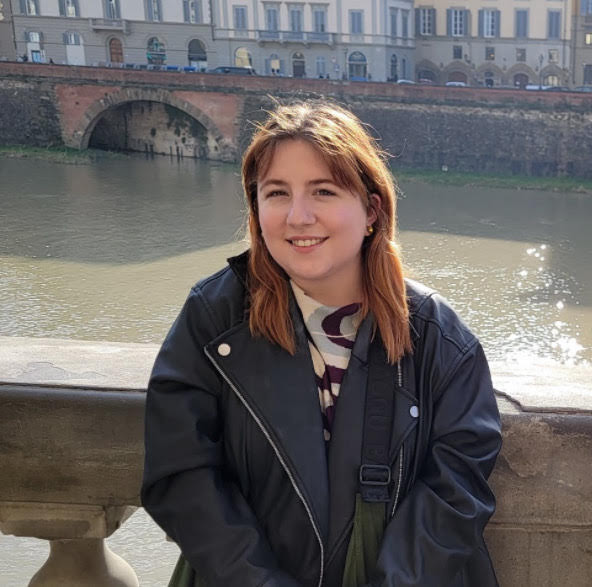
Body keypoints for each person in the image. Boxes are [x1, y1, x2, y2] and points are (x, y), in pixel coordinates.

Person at [142, 101, 502, 586]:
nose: (298, 216)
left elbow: (457, 488)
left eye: (324, 191)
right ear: (256, 209)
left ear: (372, 209)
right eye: (276, 193)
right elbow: (182, 473)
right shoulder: (215, 318)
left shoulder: (437, 336)